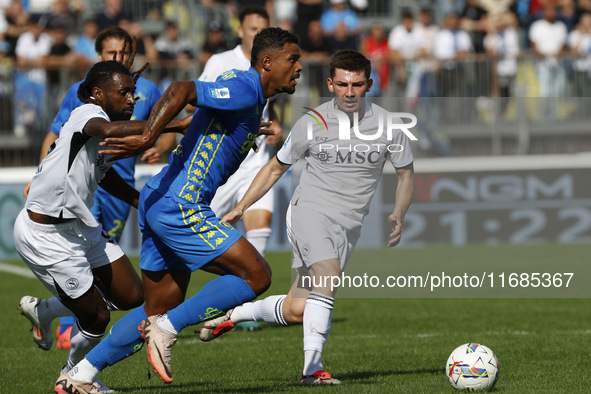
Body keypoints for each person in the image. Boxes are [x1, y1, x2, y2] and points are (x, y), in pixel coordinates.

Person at [55, 27, 303, 392]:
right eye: (293, 59)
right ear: (267, 62)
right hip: (181, 205)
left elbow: (208, 120)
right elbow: (182, 90)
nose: (299, 67)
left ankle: (80, 376)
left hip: (159, 197)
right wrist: (147, 137)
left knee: (157, 305)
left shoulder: (246, 93)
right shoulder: (247, 87)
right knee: (257, 276)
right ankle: (168, 330)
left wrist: (240, 138)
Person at [198, 50, 415, 385]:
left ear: (369, 84)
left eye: (357, 84)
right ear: (331, 84)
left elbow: (405, 174)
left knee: (299, 309)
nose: (350, 91)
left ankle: (236, 314)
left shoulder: (389, 126)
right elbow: (275, 168)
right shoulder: (312, 123)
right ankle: (312, 369)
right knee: (328, 277)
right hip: (309, 212)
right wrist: (241, 207)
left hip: (347, 227)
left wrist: (399, 212)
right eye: (342, 84)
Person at [15, 60, 189, 393]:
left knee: (131, 295)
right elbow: (107, 132)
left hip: (80, 229)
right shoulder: (87, 115)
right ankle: (75, 377)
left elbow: (104, 175)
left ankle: (44, 310)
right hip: (46, 235)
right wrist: (174, 122)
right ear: (98, 94)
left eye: (134, 92)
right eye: (124, 92)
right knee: (96, 317)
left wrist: (143, 202)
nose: (132, 99)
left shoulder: (104, 125)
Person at [199, 5, 282, 259]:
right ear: (240, 31)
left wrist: (276, 126)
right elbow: (199, 102)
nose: (257, 35)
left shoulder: (272, 66)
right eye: (253, 29)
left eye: (262, 30)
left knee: (260, 233)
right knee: (199, 244)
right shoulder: (220, 62)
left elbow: (269, 109)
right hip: (223, 165)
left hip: (255, 164)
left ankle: (246, 295)